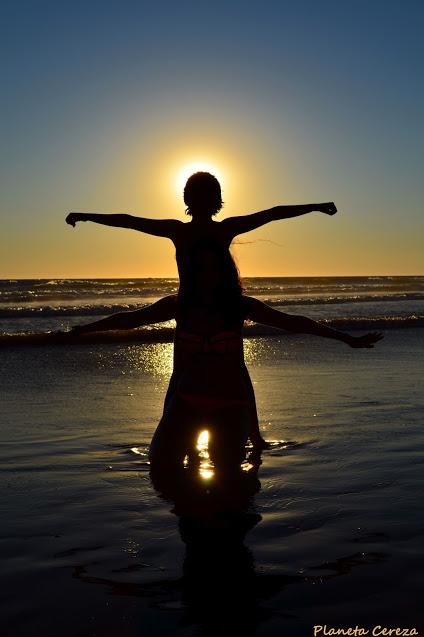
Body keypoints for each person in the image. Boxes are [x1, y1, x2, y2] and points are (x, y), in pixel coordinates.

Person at [65, 171, 337, 449]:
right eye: (200, 195)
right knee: (203, 371)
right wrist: (86, 216)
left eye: (206, 195)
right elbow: (129, 222)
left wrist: (314, 207)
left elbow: (272, 214)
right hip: (188, 307)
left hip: (214, 307)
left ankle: (250, 435)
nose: (203, 200)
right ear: (193, 199)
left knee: (220, 370)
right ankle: (224, 433)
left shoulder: (201, 230)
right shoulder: (196, 230)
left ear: (209, 200)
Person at [70, 240, 383, 477]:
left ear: (225, 271)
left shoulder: (240, 306)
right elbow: (128, 319)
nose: (208, 275)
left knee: (229, 482)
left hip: (230, 409)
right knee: (161, 471)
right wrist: (82, 329)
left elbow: (294, 322)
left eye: (214, 268)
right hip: (186, 404)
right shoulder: (179, 306)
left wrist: (346, 339)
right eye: (201, 268)